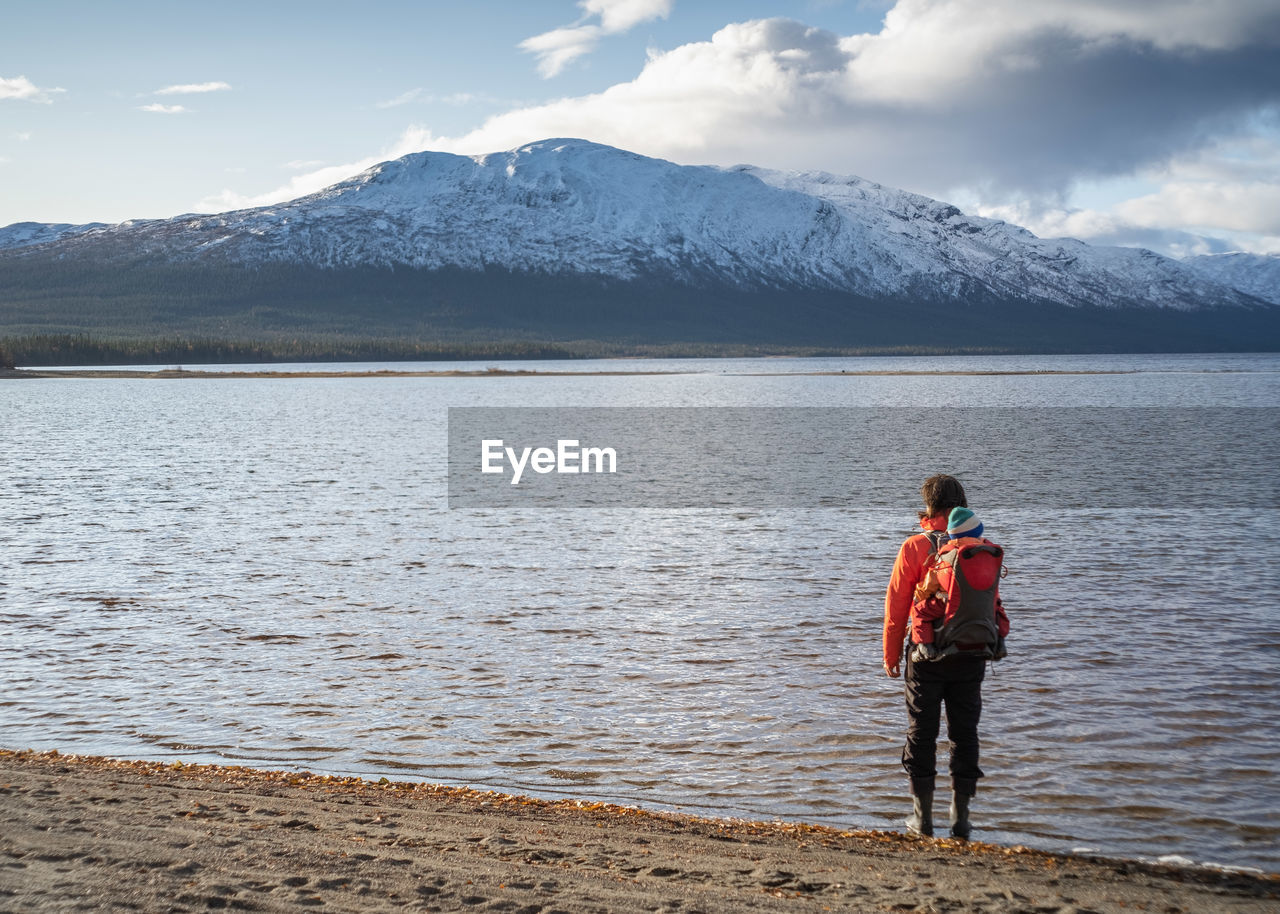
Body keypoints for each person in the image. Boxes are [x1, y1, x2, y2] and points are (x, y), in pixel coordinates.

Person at [882, 475, 1008, 839]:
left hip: (925, 656)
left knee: (922, 731)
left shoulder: (914, 546)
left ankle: (921, 820)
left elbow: (897, 606)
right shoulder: (978, 547)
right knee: (964, 733)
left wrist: (891, 654)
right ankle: (961, 819)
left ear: (928, 508)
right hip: (971, 652)